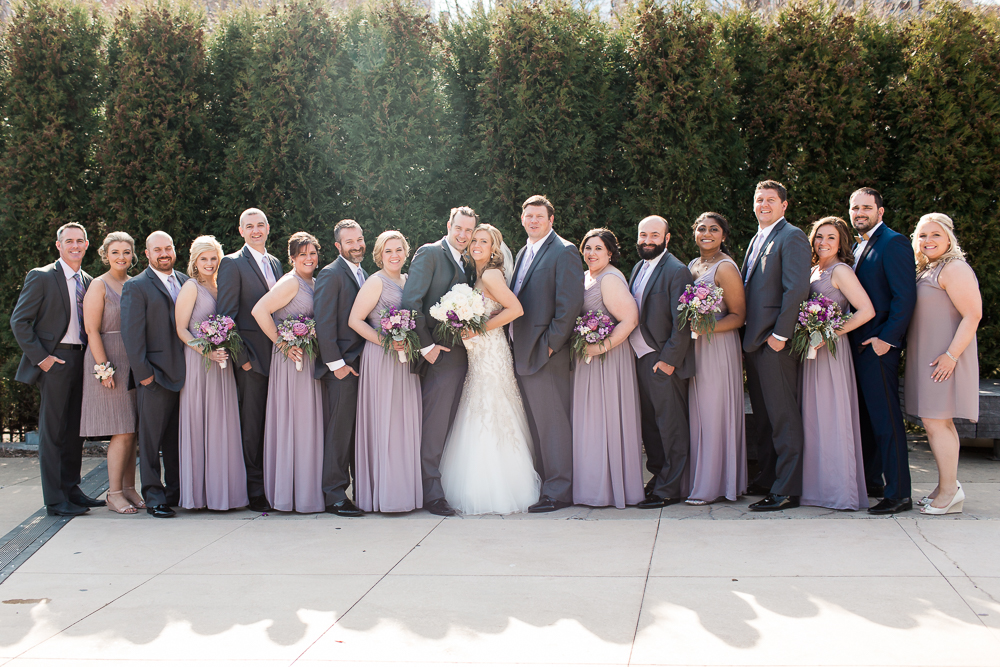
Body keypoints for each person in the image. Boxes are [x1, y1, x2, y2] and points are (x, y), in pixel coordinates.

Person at [439, 224, 540, 514]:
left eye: (483, 241)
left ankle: (502, 486)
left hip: (491, 352)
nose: (476, 244)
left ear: (495, 248)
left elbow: (515, 310)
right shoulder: (477, 275)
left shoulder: (492, 274)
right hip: (478, 353)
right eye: (473, 240)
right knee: (478, 404)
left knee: (492, 407)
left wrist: (478, 328)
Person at [10, 222, 104, 517]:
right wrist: (43, 359)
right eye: (69, 241)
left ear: (87, 245)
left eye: (80, 241)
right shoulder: (41, 277)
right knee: (53, 432)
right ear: (59, 246)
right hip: (55, 362)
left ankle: (71, 490)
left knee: (76, 430)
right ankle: (55, 499)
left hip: (82, 361)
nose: (75, 246)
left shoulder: (88, 281)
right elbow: (19, 321)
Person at [510, 195, 586, 512]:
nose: (533, 220)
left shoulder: (564, 251)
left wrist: (550, 346)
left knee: (553, 423)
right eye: (529, 216)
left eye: (539, 216)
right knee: (537, 424)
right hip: (521, 353)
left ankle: (559, 491)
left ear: (551, 219)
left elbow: (568, 307)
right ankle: (544, 485)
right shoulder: (523, 252)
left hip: (545, 355)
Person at [399, 208, 476, 517]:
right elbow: (411, 302)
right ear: (449, 226)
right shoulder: (430, 253)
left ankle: (448, 485)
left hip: (465, 355)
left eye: (468, 230)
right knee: (434, 424)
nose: (463, 235)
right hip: (439, 356)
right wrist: (426, 346)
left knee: (453, 425)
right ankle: (431, 492)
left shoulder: (470, 261)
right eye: (459, 228)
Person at [741, 180, 811, 512]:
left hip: (774, 343)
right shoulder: (757, 239)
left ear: (785, 204)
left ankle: (787, 489)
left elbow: (795, 289)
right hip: (753, 342)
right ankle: (768, 478)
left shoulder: (792, 236)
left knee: (783, 416)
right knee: (765, 416)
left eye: (771, 199)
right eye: (759, 199)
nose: (764, 204)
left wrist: (780, 337)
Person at [904, 213, 981, 515]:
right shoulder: (927, 270)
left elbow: (973, 314)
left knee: (938, 423)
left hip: (945, 359)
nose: (928, 241)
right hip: (929, 358)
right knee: (934, 422)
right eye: (922, 235)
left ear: (949, 237)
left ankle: (950, 492)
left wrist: (951, 356)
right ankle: (944, 485)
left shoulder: (955, 268)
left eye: (935, 234)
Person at [847, 187, 918, 514]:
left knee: (887, 420)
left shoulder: (894, 242)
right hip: (857, 349)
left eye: (865, 207)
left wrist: (886, 340)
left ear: (880, 211)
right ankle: (874, 481)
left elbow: (905, 297)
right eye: (854, 208)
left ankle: (900, 493)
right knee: (867, 419)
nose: (859, 213)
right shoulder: (859, 246)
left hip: (878, 349)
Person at [799, 217, 874, 511]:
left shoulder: (841, 270)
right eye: (819, 237)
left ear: (841, 241)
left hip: (831, 351)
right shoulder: (814, 270)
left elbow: (866, 310)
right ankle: (816, 490)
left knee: (832, 416)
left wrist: (829, 333)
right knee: (813, 419)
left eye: (830, 237)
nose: (823, 242)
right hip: (811, 352)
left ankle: (840, 492)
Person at [350, 231, 423, 513]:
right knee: (386, 422)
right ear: (379, 255)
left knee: (405, 423)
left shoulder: (407, 281)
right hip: (381, 359)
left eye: (399, 250)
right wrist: (385, 341)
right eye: (388, 251)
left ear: (406, 252)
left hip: (406, 361)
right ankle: (385, 494)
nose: (394, 255)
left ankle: (405, 492)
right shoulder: (375, 282)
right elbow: (355, 320)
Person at [251, 232, 324, 513]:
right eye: (302, 254)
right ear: (292, 258)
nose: (308, 258)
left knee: (308, 424)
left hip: (309, 359)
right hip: (292, 361)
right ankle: (289, 492)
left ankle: (307, 490)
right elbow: (260, 310)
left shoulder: (315, 283)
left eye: (312, 253)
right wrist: (282, 343)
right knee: (295, 422)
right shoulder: (290, 282)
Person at [217, 208, 284, 513]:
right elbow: (226, 317)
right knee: (252, 424)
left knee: (273, 424)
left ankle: (272, 482)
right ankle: (254, 489)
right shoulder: (231, 264)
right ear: (240, 230)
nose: (256, 230)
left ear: (268, 228)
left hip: (281, 358)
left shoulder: (275, 262)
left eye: (260, 225)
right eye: (249, 226)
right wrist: (242, 360)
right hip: (252, 361)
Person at [175, 236, 248, 511]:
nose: (209, 263)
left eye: (213, 258)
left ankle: (223, 494)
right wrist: (206, 351)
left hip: (223, 364)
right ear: (194, 261)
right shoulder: (190, 287)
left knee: (223, 424)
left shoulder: (222, 287)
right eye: (203, 258)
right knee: (199, 422)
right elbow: (181, 329)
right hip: (199, 364)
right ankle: (198, 495)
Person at [571, 228, 642, 509]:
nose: (591, 253)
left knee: (605, 418)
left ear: (610, 252)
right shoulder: (587, 276)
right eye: (588, 248)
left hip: (607, 360)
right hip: (587, 358)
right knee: (590, 422)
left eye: (598, 248)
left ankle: (609, 489)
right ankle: (590, 485)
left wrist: (599, 347)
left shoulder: (610, 278)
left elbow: (630, 319)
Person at [121, 231, 189, 518]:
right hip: (155, 376)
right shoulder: (136, 287)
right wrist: (144, 375)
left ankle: (175, 491)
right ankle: (153, 495)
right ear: (147, 254)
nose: (164, 253)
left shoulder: (186, 281)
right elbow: (132, 336)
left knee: (177, 439)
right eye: (157, 249)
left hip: (186, 375)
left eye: (168, 248)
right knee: (150, 440)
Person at [628, 215, 695, 509]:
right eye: (643, 235)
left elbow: (682, 321)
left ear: (666, 239)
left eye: (654, 235)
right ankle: (658, 477)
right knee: (650, 426)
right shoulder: (638, 267)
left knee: (671, 426)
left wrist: (669, 361)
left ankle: (670, 488)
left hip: (662, 360)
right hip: (641, 358)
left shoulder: (676, 270)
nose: (647, 240)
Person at [685, 213, 747, 505]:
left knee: (714, 412)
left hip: (719, 347)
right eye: (701, 228)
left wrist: (705, 326)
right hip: (697, 348)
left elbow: (738, 316)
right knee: (698, 414)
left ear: (723, 235)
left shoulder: (725, 267)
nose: (706, 233)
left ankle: (714, 485)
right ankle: (699, 478)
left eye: (713, 229)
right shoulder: (693, 265)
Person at [80, 232, 141, 514]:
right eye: (115, 252)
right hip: (109, 360)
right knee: (122, 430)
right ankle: (113, 493)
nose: (121, 257)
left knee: (131, 430)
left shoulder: (133, 284)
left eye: (126, 252)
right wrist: (103, 368)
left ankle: (129, 488)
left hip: (132, 361)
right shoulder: (99, 285)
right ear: (106, 255)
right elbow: (92, 330)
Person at [314, 220, 368, 517]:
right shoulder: (330, 274)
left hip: (364, 365)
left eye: (359, 239)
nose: (357, 245)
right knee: (339, 430)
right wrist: (337, 365)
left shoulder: (364, 274)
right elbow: (324, 321)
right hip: (343, 367)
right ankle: (334, 495)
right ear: (338, 246)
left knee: (355, 431)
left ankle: (359, 489)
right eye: (349, 242)